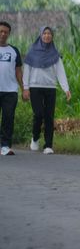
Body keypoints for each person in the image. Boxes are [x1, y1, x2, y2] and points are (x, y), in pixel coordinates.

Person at [22, 26, 72, 154]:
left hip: (50, 87)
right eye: (44, 33)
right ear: (40, 35)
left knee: (49, 116)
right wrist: (26, 88)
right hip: (35, 87)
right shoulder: (32, 53)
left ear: (52, 36)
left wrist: (66, 88)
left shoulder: (55, 54)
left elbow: (60, 72)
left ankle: (48, 145)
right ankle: (35, 137)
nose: (47, 35)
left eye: (49, 33)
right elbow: (27, 71)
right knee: (38, 114)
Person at [0, 21, 23, 156]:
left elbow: (18, 71)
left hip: (10, 91)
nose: (3, 34)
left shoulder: (14, 51)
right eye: (1, 31)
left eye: (5, 32)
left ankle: (5, 146)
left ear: (9, 34)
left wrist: (24, 89)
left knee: (8, 118)